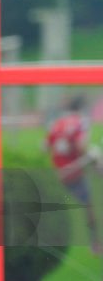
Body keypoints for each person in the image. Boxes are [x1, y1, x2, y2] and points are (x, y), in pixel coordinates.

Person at [46, 97, 101, 255]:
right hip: (73, 172)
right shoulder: (79, 122)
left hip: (57, 172)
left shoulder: (57, 123)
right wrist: (91, 156)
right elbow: (80, 146)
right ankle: (95, 243)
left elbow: (45, 146)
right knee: (89, 206)